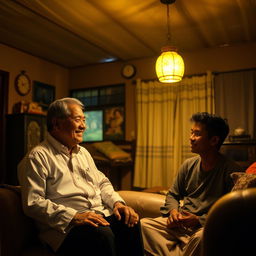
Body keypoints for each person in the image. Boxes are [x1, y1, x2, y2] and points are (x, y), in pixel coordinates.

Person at [18, 97, 144, 256]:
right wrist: (74, 216)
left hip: (98, 216)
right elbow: (33, 203)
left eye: (84, 120)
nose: (83, 126)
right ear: (56, 124)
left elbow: (102, 183)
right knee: (102, 236)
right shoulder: (37, 157)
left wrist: (117, 203)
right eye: (78, 120)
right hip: (66, 228)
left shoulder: (83, 153)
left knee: (130, 221)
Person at [141, 112, 243, 256]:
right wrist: (173, 212)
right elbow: (173, 194)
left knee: (201, 238)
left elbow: (231, 212)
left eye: (197, 134)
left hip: (204, 226)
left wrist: (199, 220)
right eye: (191, 132)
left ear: (214, 140)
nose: (191, 138)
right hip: (180, 225)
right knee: (144, 225)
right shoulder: (188, 165)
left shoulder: (232, 171)